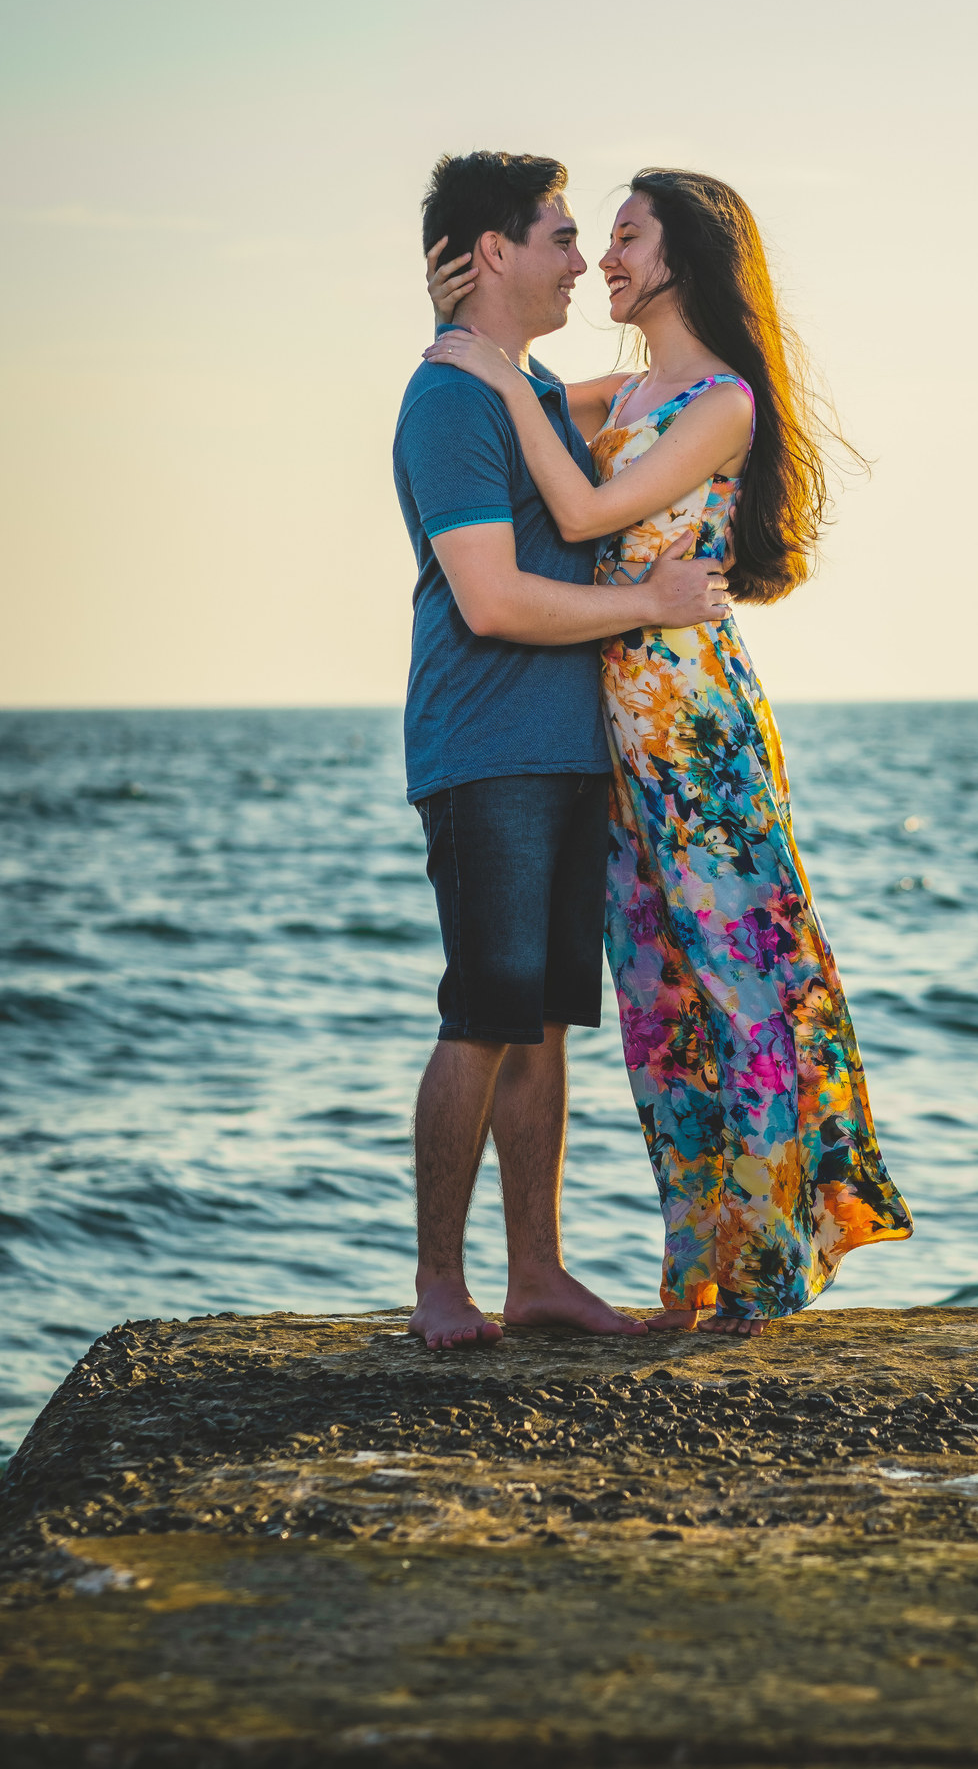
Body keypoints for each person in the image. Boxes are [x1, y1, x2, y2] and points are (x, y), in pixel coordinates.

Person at [423, 167, 914, 1338]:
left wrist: (485, 363)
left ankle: (770, 1263)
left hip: (690, 721)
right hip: (612, 726)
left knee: (742, 979)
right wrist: (458, 333)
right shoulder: (630, 391)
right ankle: (703, 1261)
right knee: (662, 997)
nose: (605, 258)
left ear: (682, 257)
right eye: (595, 237)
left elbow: (584, 515)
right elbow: (521, 410)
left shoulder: (722, 402)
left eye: (627, 238)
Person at [393, 152, 730, 1351]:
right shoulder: (450, 403)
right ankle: (442, 1281)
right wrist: (652, 607)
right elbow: (491, 599)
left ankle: (536, 1272)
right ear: (495, 253)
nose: (583, 260)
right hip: (485, 747)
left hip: (567, 747)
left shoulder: (520, 387)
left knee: (543, 1025)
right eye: (560, 236)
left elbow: (652, 394)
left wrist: (472, 335)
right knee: (482, 1014)